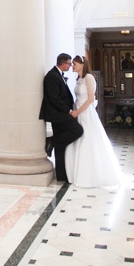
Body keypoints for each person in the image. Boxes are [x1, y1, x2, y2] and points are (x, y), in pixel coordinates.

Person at [64, 55, 122, 188]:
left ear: (82, 65)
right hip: (77, 111)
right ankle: (76, 172)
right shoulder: (79, 79)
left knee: (87, 140)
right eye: (72, 64)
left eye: (75, 63)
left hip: (85, 113)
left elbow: (90, 99)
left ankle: (89, 175)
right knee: (77, 140)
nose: (73, 66)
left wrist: (77, 112)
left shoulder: (89, 78)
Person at [38, 53, 84, 182]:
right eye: (69, 63)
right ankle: (52, 141)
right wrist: (69, 111)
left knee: (61, 147)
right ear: (63, 64)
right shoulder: (52, 76)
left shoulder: (57, 75)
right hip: (58, 114)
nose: (70, 66)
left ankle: (61, 175)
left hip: (60, 113)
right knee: (77, 130)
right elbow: (54, 98)